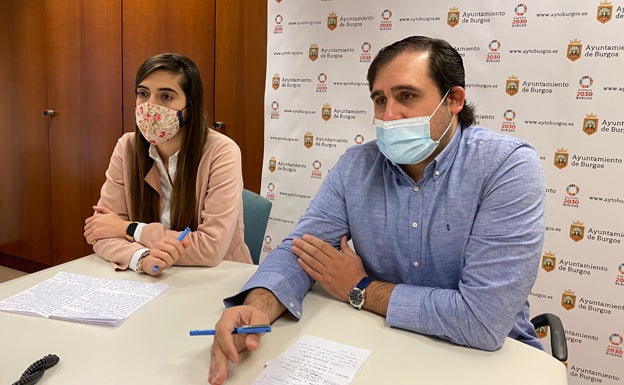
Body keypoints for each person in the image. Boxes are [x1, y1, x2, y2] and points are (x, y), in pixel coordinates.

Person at [208, 36, 545, 384]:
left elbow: (481, 320)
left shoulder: (506, 166)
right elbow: (302, 251)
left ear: (454, 99)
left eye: (407, 96)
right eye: (380, 100)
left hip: (490, 364)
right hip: (384, 349)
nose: (388, 116)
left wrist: (360, 288)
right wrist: (257, 306)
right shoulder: (357, 166)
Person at [84, 53, 252, 275]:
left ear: (189, 107)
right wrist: (141, 258)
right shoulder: (127, 147)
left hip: (218, 278)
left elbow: (210, 248)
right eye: (143, 94)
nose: (150, 106)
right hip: (154, 278)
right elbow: (102, 231)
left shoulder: (222, 151)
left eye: (166, 96)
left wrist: (129, 229)